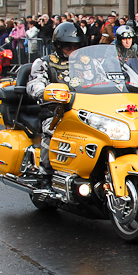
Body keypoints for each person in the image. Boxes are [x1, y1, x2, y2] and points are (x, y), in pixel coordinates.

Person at [26, 22, 84, 183]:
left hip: (86, 110)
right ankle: (45, 172)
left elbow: (104, 79)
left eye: (76, 46)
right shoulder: (45, 62)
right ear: (58, 45)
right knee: (52, 132)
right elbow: (34, 84)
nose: (72, 50)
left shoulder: (88, 63)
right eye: (68, 46)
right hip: (56, 111)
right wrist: (43, 91)